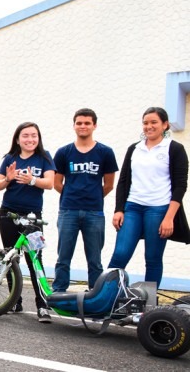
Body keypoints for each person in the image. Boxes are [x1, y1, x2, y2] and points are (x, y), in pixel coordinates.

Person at [108, 107, 190, 288]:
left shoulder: (175, 149)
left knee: (152, 258)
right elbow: (123, 182)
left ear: (165, 125)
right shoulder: (134, 149)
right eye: (145, 123)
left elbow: (180, 186)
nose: (149, 126)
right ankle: (105, 298)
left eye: (154, 122)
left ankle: (148, 305)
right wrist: (119, 209)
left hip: (159, 209)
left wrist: (169, 218)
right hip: (133, 207)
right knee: (120, 254)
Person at [0, 122, 55, 323]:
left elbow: (50, 183)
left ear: (38, 138)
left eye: (34, 135)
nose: (30, 139)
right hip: (8, 214)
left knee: (35, 259)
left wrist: (31, 180)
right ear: (18, 139)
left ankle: (42, 305)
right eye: (25, 136)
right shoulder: (10, 159)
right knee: (10, 257)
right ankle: (14, 301)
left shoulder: (44, 158)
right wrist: (8, 179)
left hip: (32, 217)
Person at [52, 109, 119, 292]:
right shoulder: (64, 152)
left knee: (95, 260)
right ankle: (58, 294)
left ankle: (96, 296)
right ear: (74, 125)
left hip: (94, 212)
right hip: (68, 211)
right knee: (63, 258)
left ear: (94, 125)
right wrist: (73, 195)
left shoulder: (105, 152)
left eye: (87, 123)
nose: (83, 126)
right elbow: (57, 183)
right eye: (79, 123)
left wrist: (92, 196)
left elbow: (109, 185)